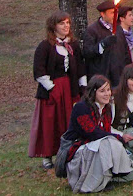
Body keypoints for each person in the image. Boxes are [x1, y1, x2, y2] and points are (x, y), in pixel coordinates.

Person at [29, 11, 86, 169]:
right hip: (52, 91)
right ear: (53, 27)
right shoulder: (45, 46)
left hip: (70, 89)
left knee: (69, 121)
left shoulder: (73, 45)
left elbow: (80, 67)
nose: (66, 26)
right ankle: (47, 156)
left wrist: (83, 86)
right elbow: (39, 71)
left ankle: (69, 152)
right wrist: (51, 88)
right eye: (62, 23)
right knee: (50, 122)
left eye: (67, 23)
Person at [65, 75, 133, 193]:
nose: (107, 94)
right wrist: (118, 137)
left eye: (108, 90)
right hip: (76, 150)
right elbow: (92, 133)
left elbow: (105, 130)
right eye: (102, 91)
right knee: (106, 143)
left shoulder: (105, 108)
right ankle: (90, 185)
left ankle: (106, 178)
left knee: (107, 143)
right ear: (93, 92)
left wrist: (120, 136)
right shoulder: (82, 108)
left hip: (94, 147)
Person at [83, 0, 132, 87]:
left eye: (116, 13)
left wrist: (128, 71)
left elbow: (125, 52)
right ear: (102, 14)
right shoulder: (92, 30)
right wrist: (102, 44)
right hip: (101, 77)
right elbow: (87, 52)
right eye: (112, 13)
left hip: (118, 76)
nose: (115, 15)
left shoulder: (119, 29)